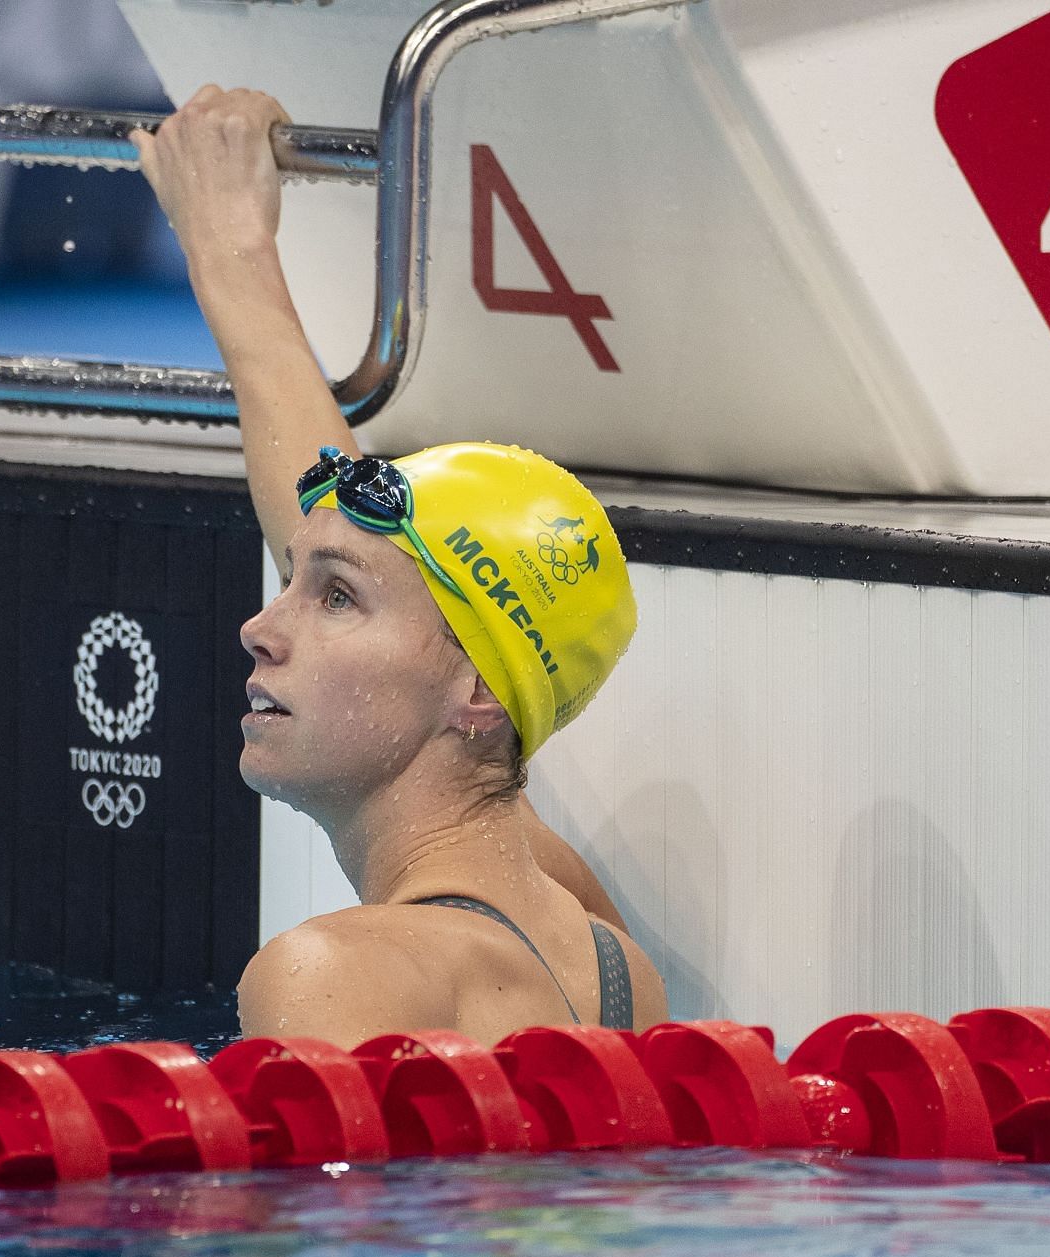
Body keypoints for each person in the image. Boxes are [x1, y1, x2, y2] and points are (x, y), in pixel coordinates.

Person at [133, 87, 668, 1046]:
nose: (259, 626)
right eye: (296, 580)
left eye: (335, 597)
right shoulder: (612, 967)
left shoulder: (332, 974)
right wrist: (229, 250)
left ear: (474, 687)